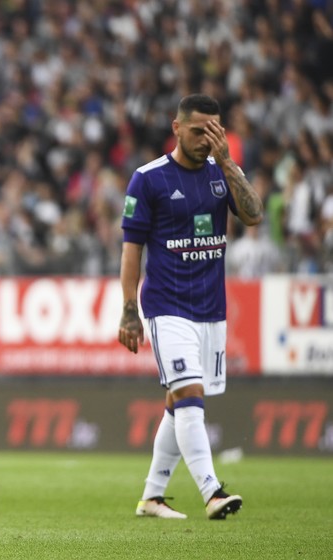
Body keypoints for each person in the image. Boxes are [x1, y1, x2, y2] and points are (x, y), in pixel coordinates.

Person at [118, 93, 262, 520]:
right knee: (189, 395)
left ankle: (151, 497)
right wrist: (130, 310)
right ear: (176, 127)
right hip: (167, 306)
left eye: (214, 130)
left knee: (177, 402)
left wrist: (229, 162)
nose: (206, 138)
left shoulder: (222, 175)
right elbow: (132, 251)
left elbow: (252, 216)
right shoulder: (148, 179)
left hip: (211, 310)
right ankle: (212, 491)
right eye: (198, 130)